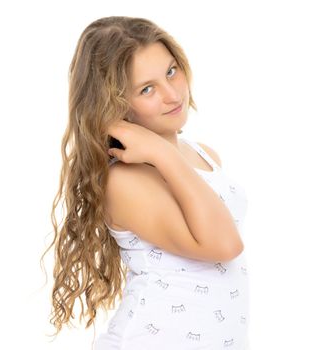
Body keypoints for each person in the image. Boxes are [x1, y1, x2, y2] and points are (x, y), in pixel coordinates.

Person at [41, 16, 251, 349]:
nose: (172, 94)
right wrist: (161, 153)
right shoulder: (124, 181)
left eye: (171, 71)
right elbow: (225, 245)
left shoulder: (203, 155)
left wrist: (166, 153)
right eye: (147, 89)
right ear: (116, 105)